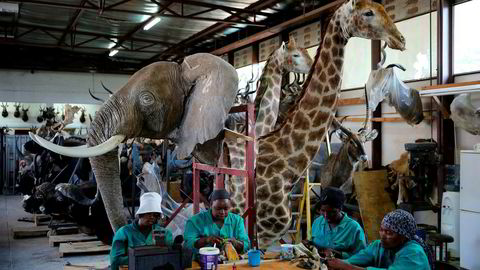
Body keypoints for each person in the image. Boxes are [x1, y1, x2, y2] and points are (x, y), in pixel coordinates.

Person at [326, 209, 433, 270]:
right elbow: (356, 259)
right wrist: (336, 263)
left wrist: (348, 267)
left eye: (389, 233)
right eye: (381, 230)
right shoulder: (378, 245)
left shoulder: (414, 253)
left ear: (403, 236)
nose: (383, 235)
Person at [109, 192, 173, 270]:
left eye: (155, 215)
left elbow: (171, 257)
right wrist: (145, 258)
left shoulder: (165, 233)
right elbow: (116, 260)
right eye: (149, 214)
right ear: (140, 214)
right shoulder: (124, 233)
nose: (152, 217)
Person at [184, 189, 250, 260]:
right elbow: (187, 245)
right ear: (210, 205)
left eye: (226, 208)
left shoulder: (237, 221)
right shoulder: (195, 221)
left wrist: (235, 243)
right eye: (218, 208)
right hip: (203, 262)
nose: (222, 212)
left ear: (230, 206)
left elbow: (247, 244)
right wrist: (206, 240)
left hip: (230, 263)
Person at [309, 187, 367, 259]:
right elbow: (312, 242)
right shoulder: (317, 222)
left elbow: (362, 257)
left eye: (331, 212)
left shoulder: (354, 228)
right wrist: (308, 244)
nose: (326, 215)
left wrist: (339, 254)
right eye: (322, 210)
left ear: (340, 209)